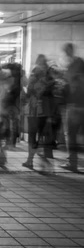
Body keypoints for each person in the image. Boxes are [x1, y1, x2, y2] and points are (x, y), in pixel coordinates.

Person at [22, 55, 57, 170]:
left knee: (32, 136)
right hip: (45, 111)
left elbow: (29, 90)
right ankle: (43, 160)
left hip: (34, 110)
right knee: (42, 136)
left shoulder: (35, 73)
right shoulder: (50, 78)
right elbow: (53, 96)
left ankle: (30, 160)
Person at [61, 43, 84, 172]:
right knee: (75, 134)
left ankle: (72, 162)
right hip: (80, 105)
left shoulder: (74, 66)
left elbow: (67, 84)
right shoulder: (79, 63)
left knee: (71, 134)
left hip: (74, 106)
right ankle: (72, 161)